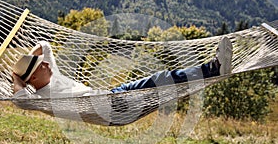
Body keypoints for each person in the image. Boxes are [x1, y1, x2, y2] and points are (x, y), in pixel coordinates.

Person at [12, 38, 232, 99]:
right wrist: (16, 75)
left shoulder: (52, 76)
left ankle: (211, 70)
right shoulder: (41, 98)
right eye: (42, 66)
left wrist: (28, 59)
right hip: (110, 108)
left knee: (161, 81)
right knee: (161, 79)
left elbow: (45, 46)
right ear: (32, 79)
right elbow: (20, 100)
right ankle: (212, 70)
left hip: (112, 96)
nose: (48, 64)